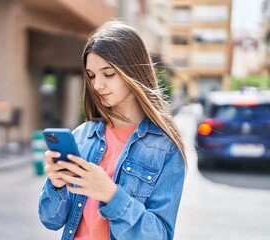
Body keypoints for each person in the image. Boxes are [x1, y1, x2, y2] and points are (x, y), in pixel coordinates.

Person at [38, 21, 187, 240]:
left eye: (108, 74)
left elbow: (160, 235)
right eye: (91, 75)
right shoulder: (82, 136)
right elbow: (50, 220)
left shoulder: (166, 148)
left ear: (133, 71)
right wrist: (56, 184)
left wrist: (111, 195)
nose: (97, 85)